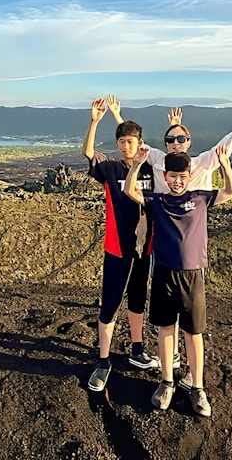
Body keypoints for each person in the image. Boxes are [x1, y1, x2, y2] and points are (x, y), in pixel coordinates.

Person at [124, 145, 232, 417]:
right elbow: (130, 191)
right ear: (165, 176)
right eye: (172, 176)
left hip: (193, 275)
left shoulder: (200, 198)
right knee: (165, 329)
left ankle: (198, 388)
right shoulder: (159, 200)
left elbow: (230, 192)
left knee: (193, 332)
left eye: (182, 176)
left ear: (190, 176)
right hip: (164, 273)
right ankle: (167, 382)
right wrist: (136, 164)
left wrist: (225, 164)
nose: (177, 181)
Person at [81, 95, 159, 393]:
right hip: (117, 248)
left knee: (138, 300)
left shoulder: (152, 171)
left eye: (132, 141)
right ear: (117, 144)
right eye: (122, 141)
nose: (127, 146)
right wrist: (95, 121)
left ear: (140, 143)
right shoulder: (110, 169)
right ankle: (102, 361)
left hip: (144, 249)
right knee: (110, 304)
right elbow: (88, 152)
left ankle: (137, 350)